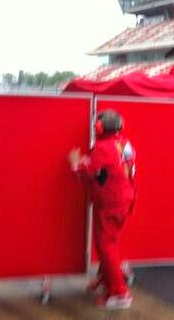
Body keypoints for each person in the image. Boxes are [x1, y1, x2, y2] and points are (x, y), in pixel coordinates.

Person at [68, 109, 136, 310]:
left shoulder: (103, 148)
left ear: (99, 128)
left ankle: (119, 293)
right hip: (123, 200)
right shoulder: (124, 143)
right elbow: (107, 169)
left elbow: (86, 173)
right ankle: (108, 279)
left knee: (107, 247)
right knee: (110, 244)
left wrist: (74, 164)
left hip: (110, 204)